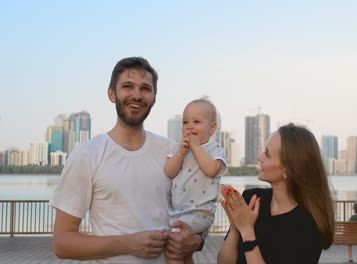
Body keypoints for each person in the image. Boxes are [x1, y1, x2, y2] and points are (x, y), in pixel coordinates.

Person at [49, 57, 203, 264]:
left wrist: (197, 240)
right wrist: (127, 244)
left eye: (145, 88)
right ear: (112, 94)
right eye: (127, 86)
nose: (137, 95)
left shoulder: (173, 152)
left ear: (154, 98)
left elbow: (194, 215)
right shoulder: (87, 155)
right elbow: (62, 243)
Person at [217, 123, 335, 264]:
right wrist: (235, 227)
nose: (259, 158)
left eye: (267, 154)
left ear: (288, 170)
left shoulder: (307, 225)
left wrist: (247, 231)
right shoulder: (252, 199)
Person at [164, 98, 228, 263]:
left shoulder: (214, 149)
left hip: (200, 212)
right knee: (185, 254)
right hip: (178, 212)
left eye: (197, 122)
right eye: (185, 122)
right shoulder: (178, 148)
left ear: (212, 128)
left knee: (172, 251)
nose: (190, 126)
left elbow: (212, 169)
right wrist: (180, 153)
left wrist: (196, 147)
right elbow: (169, 172)